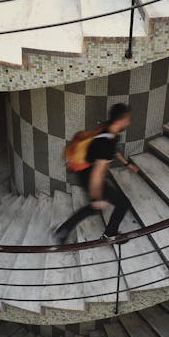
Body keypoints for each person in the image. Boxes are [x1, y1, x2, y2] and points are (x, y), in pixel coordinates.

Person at [55, 103, 139, 244]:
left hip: (85, 171)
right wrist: (97, 198)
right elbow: (97, 174)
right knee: (122, 204)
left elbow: (115, 151)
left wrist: (126, 163)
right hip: (90, 176)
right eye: (127, 119)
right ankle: (109, 235)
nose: (129, 122)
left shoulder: (108, 130)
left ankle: (62, 231)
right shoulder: (107, 144)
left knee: (93, 209)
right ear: (120, 120)